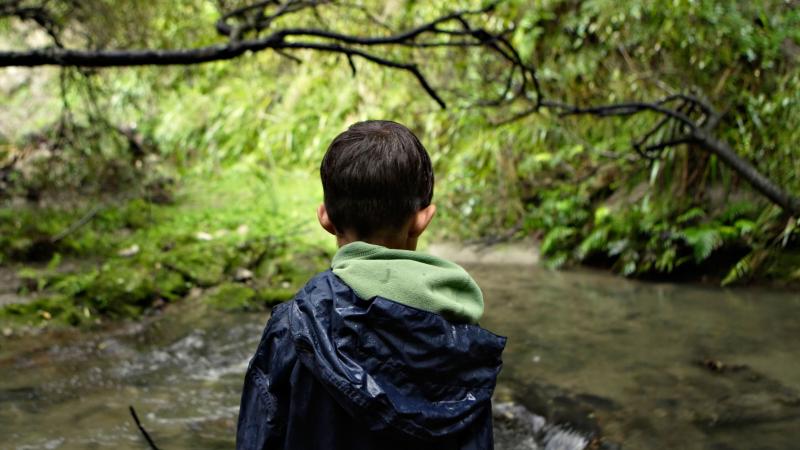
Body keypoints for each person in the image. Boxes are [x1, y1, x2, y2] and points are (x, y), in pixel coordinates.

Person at [236, 120, 507, 450]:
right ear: (423, 219)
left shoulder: (293, 326)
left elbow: (258, 436)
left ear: (325, 219)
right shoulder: (460, 332)